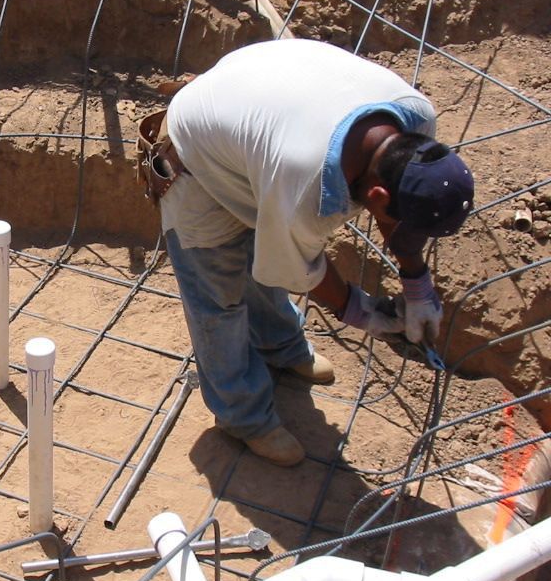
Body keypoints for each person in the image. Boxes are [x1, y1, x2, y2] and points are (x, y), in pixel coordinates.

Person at [153, 38, 474, 467]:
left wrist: (417, 284)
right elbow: (295, 268)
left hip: (259, 113)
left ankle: (280, 347)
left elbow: (390, 216)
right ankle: (244, 416)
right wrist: (364, 312)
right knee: (219, 300)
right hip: (195, 155)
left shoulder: (415, 119)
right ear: (376, 193)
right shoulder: (307, 182)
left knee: (264, 256)